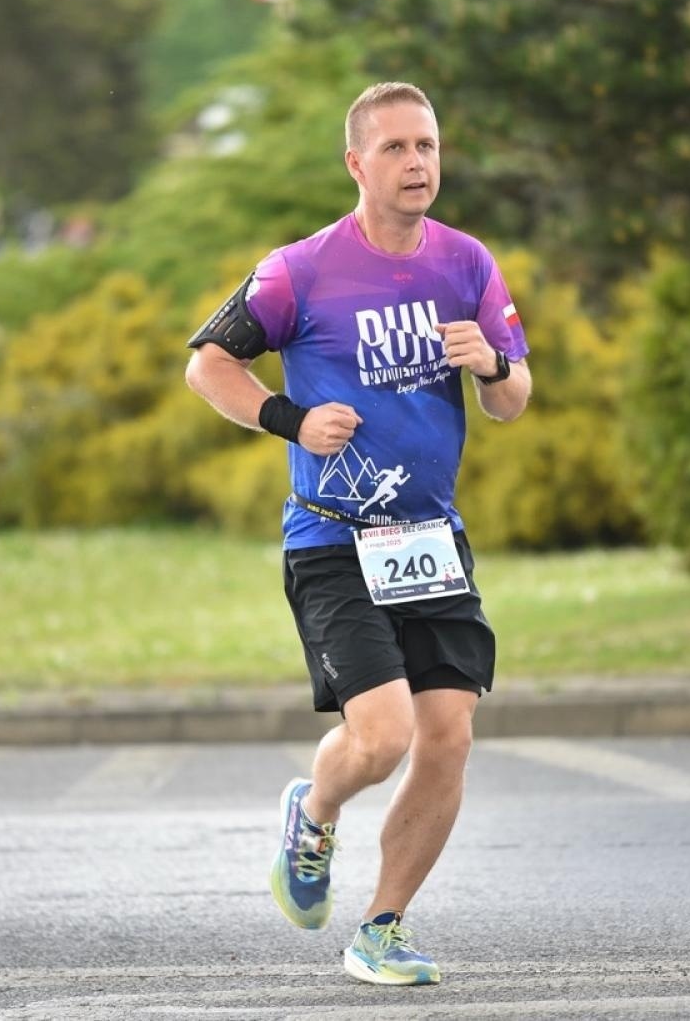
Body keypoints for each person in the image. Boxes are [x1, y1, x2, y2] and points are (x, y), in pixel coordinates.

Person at [185, 82, 532, 986]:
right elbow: (207, 362)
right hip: (333, 537)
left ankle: (381, 926)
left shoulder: (467, 263)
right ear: (356, 163)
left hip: (429, 536)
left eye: (427, 146)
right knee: (379, 739)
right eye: (395, 149)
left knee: (448, 734)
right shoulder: (298, 270)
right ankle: (316, 812)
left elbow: (511, 401)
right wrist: (286, 418)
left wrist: (492, 363)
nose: (417, 164)